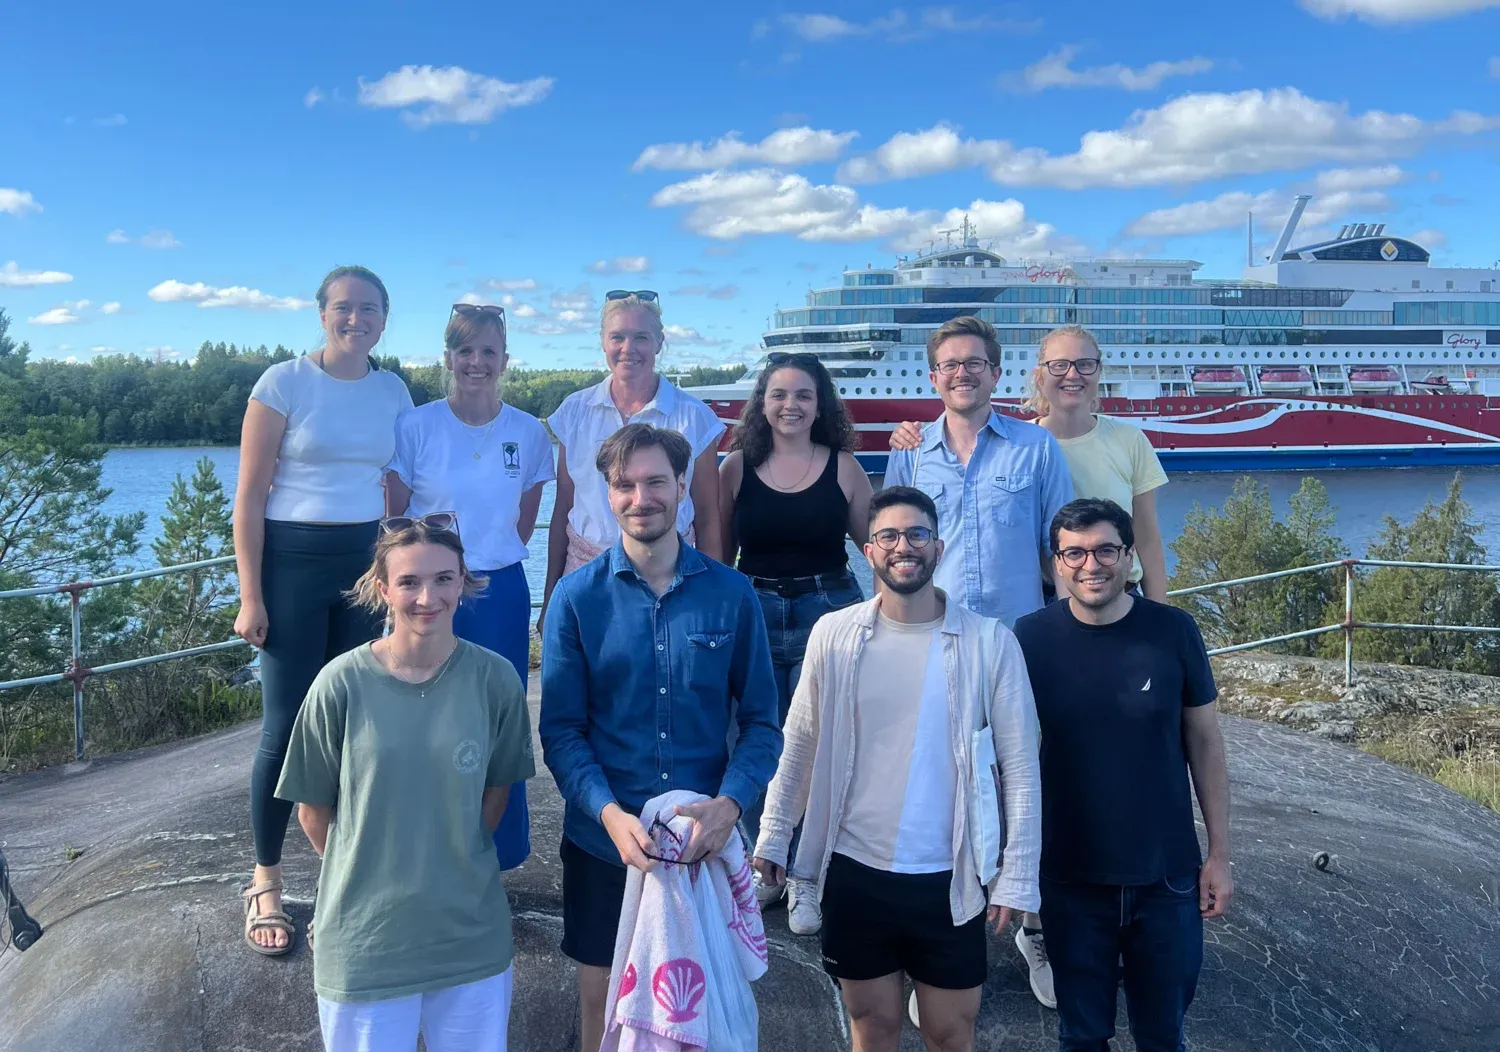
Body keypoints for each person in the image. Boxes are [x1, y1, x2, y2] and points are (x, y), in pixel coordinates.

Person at [752, 486, 1040, 1052]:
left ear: (939, 545)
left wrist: (1019, 874)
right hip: (855, 870)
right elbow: (801, 742)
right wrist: (774, 832)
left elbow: (1021, 768)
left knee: (950, 1031)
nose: (903, 546)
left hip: (949, 876)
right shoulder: (833, 635)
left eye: (917, 534)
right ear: (868, 551)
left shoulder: (991, 643)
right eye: (888, 536)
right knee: (872, 1027)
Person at [539, 423, 781, 1052]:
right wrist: (609, 813)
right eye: (624, 484)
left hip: (704, 844)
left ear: (682, 488)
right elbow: (563, 733)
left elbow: (761, 724)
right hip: (604, 839)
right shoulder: (574, 598)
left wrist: (730, 807)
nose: (640, 497)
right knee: (602, 1002)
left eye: (655, 482)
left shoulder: (732, 594)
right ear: (608, 492)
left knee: (710, 1003)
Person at [276, 517, 534, 1052]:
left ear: (464, 580)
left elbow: (496, 794)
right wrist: (367, 866)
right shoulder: (339, 684)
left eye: (443, 579)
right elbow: (312, 811)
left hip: (470, 938)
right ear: (382, 588)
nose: (427, 597)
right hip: (366, 945)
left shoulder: (496, 681)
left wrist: (449, 860)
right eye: (409, 582)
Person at [884, 315, 1071, 1009]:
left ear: (996, 372)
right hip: (936, 643)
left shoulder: (1036, 448)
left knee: (1027, 784)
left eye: (975, 362)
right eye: (950, 364)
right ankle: (938, 945)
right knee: (939, 789)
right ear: (933, 377)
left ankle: (1034, 924)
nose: (963, 373)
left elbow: (1061, 550)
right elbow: (894, 551)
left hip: (1021, 644)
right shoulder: (910, 455)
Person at [233, 265, 414, 955]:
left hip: (365, 564)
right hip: (293, 562)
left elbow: (399, 486)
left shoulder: (392, 389)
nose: (356, 319)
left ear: (384, 318)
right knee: (286, 724)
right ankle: (267, 879)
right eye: (344, 307)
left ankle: (348, 862)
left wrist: (406, 565)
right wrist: (252, 595)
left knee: (354, 720)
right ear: (322, 314)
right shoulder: (284, 383)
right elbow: (249, 497)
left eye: (369, 308)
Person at [1013, 498, 1232, 1052]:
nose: (1092, 564)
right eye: (1076, 552)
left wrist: (1220, 856)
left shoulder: (1174, 631)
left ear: (1130, 557)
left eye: (1106, 549)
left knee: (1163, 1037)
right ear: (1057, 562)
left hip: (1167, 879)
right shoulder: (1028, 639)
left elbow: (1205, 742)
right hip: (1069, 878)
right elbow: (1006, 756)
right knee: (1082, 1037)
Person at [386, 302, 554, 871]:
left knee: (495, 719)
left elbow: (523, 522)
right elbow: (397, 521)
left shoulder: (529, 433)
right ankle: (426, 852)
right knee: (423, 716)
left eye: (488, 351)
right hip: (429, 593)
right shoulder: (415, 425)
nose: (476, 362)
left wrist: (482, 559)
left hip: (498, 592)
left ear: (505, 359)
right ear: (448, 357)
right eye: (465, 351)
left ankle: (495, 856)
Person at [718, 351, 872, 933]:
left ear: (820, 404)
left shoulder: (845, 468)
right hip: (753, 610)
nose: (790, 405)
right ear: (761, 403)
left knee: (822, 741)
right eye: (778, 394)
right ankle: (767, 864)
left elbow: (875, 549)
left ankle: (810, 872)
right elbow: (720, 554)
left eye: (803, 395)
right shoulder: (736, 467)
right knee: (753, 735)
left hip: (827, 610)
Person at [540, 291, 726, 627]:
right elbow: (563, 507)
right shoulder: (574, 412)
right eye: (618, 337)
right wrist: (552, 593)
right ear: (603, 342)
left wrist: (713, 597)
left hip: (671, 579)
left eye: (641, 337)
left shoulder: (694, 418)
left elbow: (709, 517)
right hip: (585, 578)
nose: (629, 348)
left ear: (659, 342)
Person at [1026, 325, 1168, 601]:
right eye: (1059, 365)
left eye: (1085, 364)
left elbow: (1147, 536)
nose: (1073, 374)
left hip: (1122, 596)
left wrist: (1160, 612)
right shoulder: (1019, 446)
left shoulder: (1129, 440)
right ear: (1039, 377)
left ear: (1099, 372)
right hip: (1046, 602)